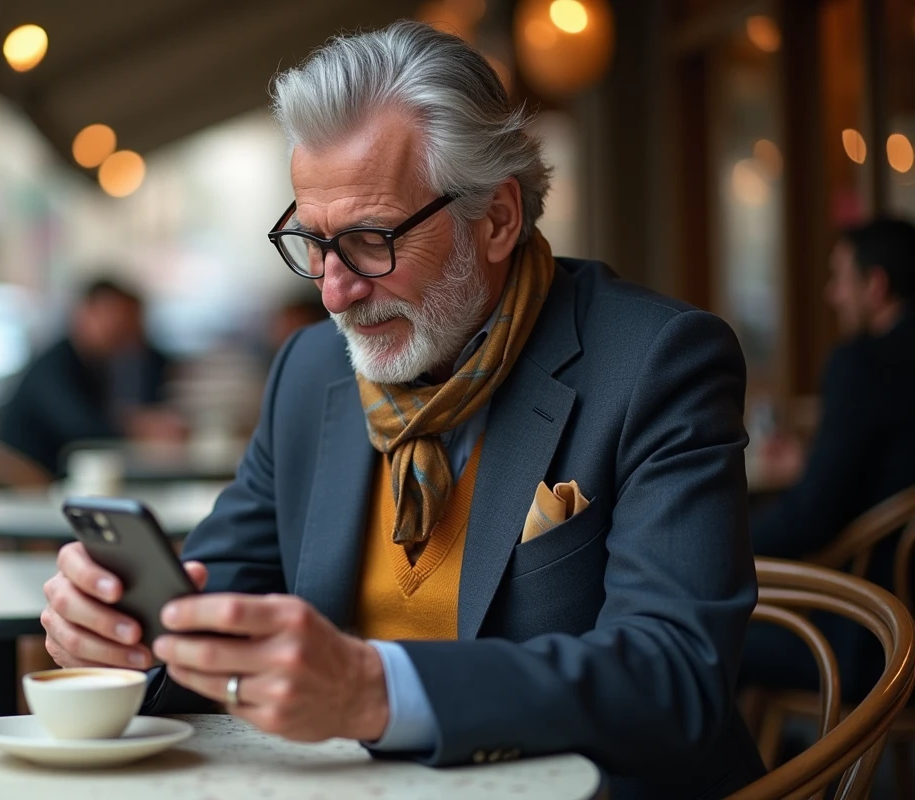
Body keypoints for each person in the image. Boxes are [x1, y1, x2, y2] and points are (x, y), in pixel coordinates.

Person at [41, 22, 762, 798]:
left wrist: (372, 689)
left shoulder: (656, 360)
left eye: (370, 240)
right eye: (313, 243)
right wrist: (130, 630)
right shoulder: (312, 370)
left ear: (496, 220)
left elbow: (675, 675)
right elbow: (218, 594)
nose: (333, 291)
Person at [743, 217, 915, 698]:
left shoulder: (862, 363)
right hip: (900, 608)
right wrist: (812, 464)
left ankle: (768, 773)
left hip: (872, 631)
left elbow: (809, 521)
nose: (831, 295)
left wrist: (720, 538)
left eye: (839, 278)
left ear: (875, 284)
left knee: (706, 639)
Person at [0, 279, 138, 474]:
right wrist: (135, 427)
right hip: (32, 486)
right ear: (87, 312)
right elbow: (83, 431)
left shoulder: (94, 364)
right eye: (118, 321)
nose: (126, 332)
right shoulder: (54, 366)